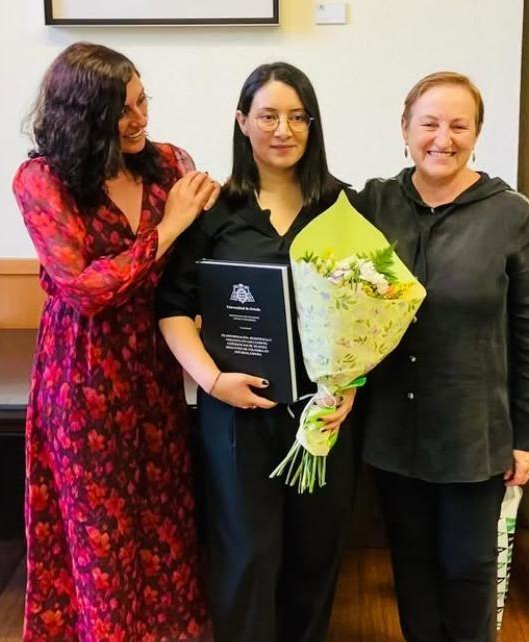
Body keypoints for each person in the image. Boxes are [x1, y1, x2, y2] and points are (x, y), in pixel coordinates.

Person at [12, 42, 218, 641]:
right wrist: (171, 225)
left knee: (163, 523)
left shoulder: (170, 164)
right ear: (82, 115)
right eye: (121, 110)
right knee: (98, 531)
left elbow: (207, 258)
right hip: (82, 376)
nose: (140, 119)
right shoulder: (42, 179)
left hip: (156, 367)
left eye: (142, 100)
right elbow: (84, 289)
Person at [156, 62, 357, 642]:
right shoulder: (214, 212)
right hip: (236, 415)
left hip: (325, 415)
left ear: (312, 126)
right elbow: (171, 308)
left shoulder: (345, 208)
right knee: (245, 556)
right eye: (268, 115)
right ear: (243, 122)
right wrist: (215, 382)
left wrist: (349, 388)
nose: (283, 129)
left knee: (314, 557)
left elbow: (373, 312)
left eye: (297, 117)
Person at [356, 71, 529, 642]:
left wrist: (528, 434)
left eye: (458, 125)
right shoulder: (374, 203)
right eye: (429, 123)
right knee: (411, 569)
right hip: (394, 431)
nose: (443, 138)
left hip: (475, 435)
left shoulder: (513, 214)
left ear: (476, 134)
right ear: (405, 129)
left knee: (468, 570)